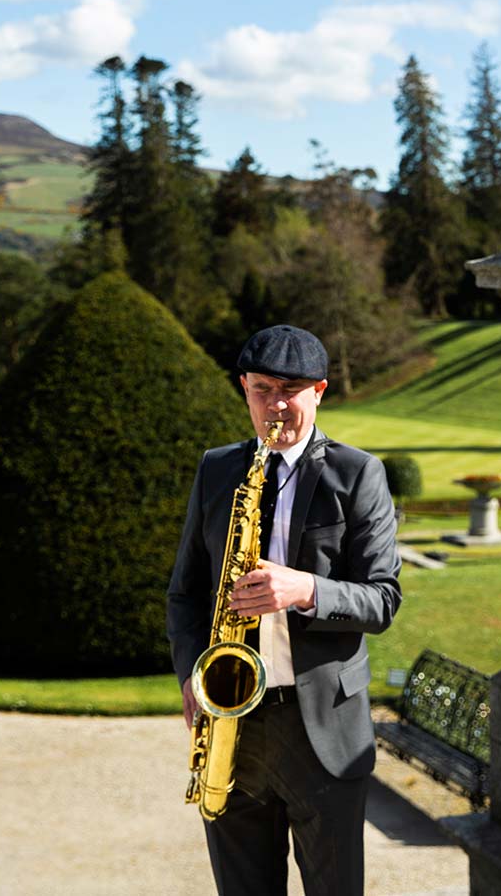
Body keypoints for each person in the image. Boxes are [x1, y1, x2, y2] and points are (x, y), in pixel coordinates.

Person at [167, 322, 402, 896]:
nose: (276, 404)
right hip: (234, 723)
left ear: (319, 391)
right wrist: (191, 679)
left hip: (321, 728)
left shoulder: (358, 474)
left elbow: (383, 598)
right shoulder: (218, 469)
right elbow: (186, 592)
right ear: (243, 387)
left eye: (290, 390)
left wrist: (306, 590)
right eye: (262, 389)